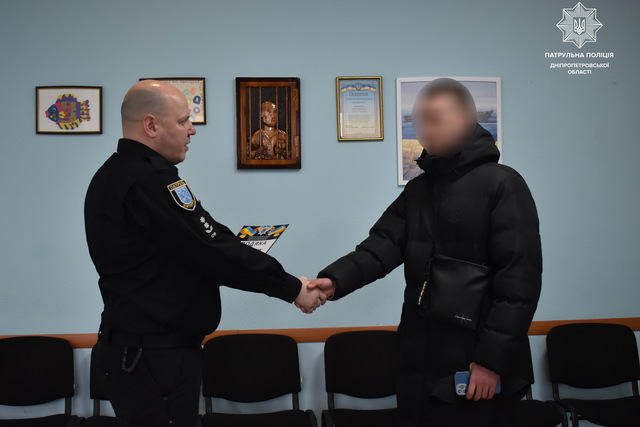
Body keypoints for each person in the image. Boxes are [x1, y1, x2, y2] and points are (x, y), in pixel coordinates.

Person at [84, 80, 325, 427]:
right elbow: (212, 249)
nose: (192, 130)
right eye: (183, 121)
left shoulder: (112, 174)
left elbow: (201, 240)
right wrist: (293, 288)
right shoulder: (150, 181)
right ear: (151, 125)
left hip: (133, 349)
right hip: (155, 356)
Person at [307, 78, 542, 426]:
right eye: (421, 121)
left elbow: (519, 284)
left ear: (465, 119)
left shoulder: (503, 184)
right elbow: (381, 246)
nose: (426, 130)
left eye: (435, 120)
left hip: (475, 363)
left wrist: (491, 362)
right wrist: (334, 281)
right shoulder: (419, 190)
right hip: (419, 357)